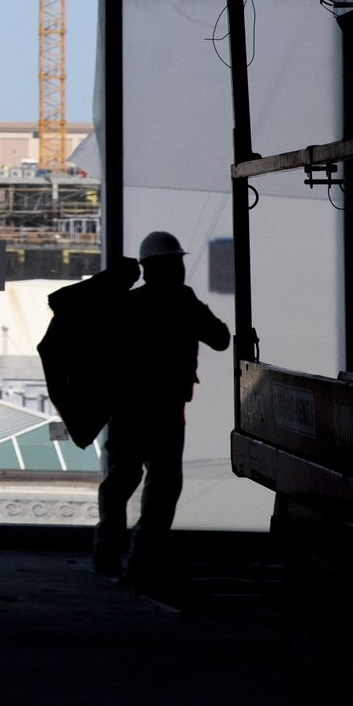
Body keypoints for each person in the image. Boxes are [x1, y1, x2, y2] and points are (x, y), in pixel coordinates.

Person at [94, 230, 232, 590]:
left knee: (120, 482)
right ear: (164, 267)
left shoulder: (127, 304)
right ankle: (141, 560)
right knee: (162, 488)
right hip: (167, 411)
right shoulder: (184, 303)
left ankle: (107, 550)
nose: (180, 269)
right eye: (176, 263)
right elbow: (220, 338)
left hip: (128, 411)